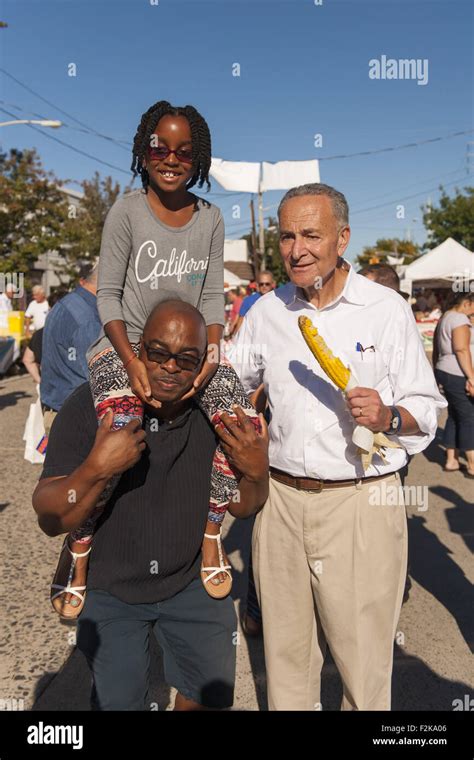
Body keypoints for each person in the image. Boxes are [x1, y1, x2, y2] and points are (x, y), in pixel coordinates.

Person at [230, 182, 446, 711]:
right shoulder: (267, 312)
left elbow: (430, 408)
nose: (296, 249)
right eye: (286, 236)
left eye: (311, 234)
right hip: (279, 502)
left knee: (362, 668)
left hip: (361, 502)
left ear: (343, 238)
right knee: (284, 662)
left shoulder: (385, 309)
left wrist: (390, 413)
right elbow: (232, 381)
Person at [50, 100, 261, 620]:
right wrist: (132, 361)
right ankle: (80, 548)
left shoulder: (209, 218)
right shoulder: (125, 210)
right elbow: (108, 296)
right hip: (125, 350)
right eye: (159, 148)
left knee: (239, 423)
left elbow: (212, 299)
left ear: (200, 158)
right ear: (143, 151)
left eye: (184, 151)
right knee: (116, 436)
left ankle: (211, 533)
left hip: (192, 355)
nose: (171, 158)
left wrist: (211, 358)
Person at [32, 300, 269, 711]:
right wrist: (95, 468)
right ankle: (79, 554)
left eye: (186, 359)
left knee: (209, 693)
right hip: (111, 586)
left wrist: (256, 472)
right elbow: (50, 516)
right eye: (158, 352)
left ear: (202, 367)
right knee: (120, 703)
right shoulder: (91, 406)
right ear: (137, 352)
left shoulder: (214, 416)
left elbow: (244, 508)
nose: (170, 367)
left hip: (189, 577)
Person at [39, 265, 101, 436]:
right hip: (76, 417)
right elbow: (95, 373)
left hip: (57, 409)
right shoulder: (87, 316)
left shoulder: (66, 303)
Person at [433, 291, 474, 476]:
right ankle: (473, 464)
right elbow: (461, 349)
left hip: (445, 370)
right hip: (458, 373)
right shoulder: (459, 319)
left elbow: (436, 348)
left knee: (454, 416)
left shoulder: (445, 317)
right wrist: (471, 377)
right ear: (466, 303)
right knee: (468, 418)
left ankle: (451, 460)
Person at [232, 271, 276, 338]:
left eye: (267, 284)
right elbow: (241, 321)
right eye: (261, 284)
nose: (264, 286)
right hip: (254, 339)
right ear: (257, 285)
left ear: (273, 284)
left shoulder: (278, 299)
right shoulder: (248, 301)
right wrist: (236, 338)